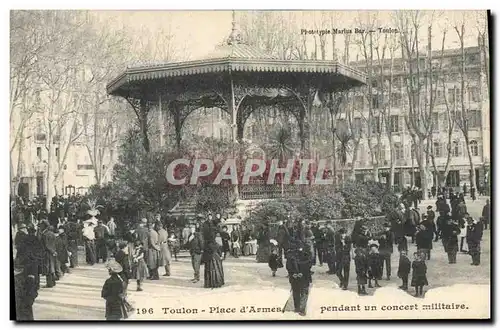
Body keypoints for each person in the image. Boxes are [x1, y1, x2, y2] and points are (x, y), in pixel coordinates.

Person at [285, 240, 312, 316]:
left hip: (295, 277)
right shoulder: (306, 254)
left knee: (296, 292)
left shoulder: (290, 254)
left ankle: (297, 308)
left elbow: (288, 266)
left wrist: (293, 273)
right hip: (303, 276)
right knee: (303, 292)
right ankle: (301, 309)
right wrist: (301, 273)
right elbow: (308, 265)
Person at [202, 218, 225, 289]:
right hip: (213, 251)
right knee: (216, 267)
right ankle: (216, 282)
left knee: (209, 267)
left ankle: (209, 283)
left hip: (208, 250)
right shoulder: (215, 231)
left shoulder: (208, 230)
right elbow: (216, 243)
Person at [114, 242, 134, 313]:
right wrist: (129, 277)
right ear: (124, 247)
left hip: (118, 276)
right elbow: (126, 268)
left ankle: (127, 307)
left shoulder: (117, 255)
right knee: (123, 293)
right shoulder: (124, 256)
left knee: (120, 293)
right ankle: (126, 307)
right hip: (124, 276)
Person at [39, 220, 57, 288]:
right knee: (52, 267)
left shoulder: (45, 234)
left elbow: (46, 245)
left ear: (44, 226)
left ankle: (49, 284)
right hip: (52, 252)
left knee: (48, 268)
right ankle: (53, 282)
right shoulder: (52, 233)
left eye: (41, 226)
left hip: (47, 253)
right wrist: (54, 251)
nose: (40, 227)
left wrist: (52, 251)